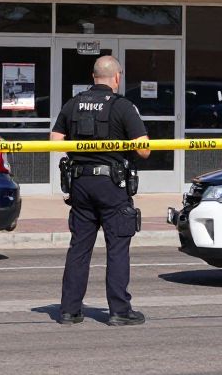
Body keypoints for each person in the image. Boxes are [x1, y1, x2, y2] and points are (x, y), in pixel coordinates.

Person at [51, 54, 151, 326]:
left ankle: (70, 311)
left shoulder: (73, 104)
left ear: (93, 77)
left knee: (79, 248)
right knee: (117, 247)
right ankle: (119, 311)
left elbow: (55, 141)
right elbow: (143, 150)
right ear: (116, 78)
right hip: (111, 185)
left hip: (81, 184)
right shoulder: (123, 106)